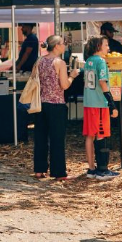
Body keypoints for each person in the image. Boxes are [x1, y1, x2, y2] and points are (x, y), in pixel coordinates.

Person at [33, 36, 80, 181]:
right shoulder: (59, 62)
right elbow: (64, 85)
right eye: (63, 43)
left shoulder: (39, 60)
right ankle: (59, 171)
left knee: (40, 137)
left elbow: (34, 79)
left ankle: (39, 169)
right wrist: (72, 76)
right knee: (57, 139)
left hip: (40, 103)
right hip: (56, 104)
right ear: (56, 46)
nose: (65, 45)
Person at [83, 35, 120, 180]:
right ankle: (102, 170)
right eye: (106, 45)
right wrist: (111, 103)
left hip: (88, 102)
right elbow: (103, 82)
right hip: (99, 103)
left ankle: (92, 168)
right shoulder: (101, 61)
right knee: (101, 134)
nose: (108, 48)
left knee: (89, 136)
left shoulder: (88, 61)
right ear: (98, 46)